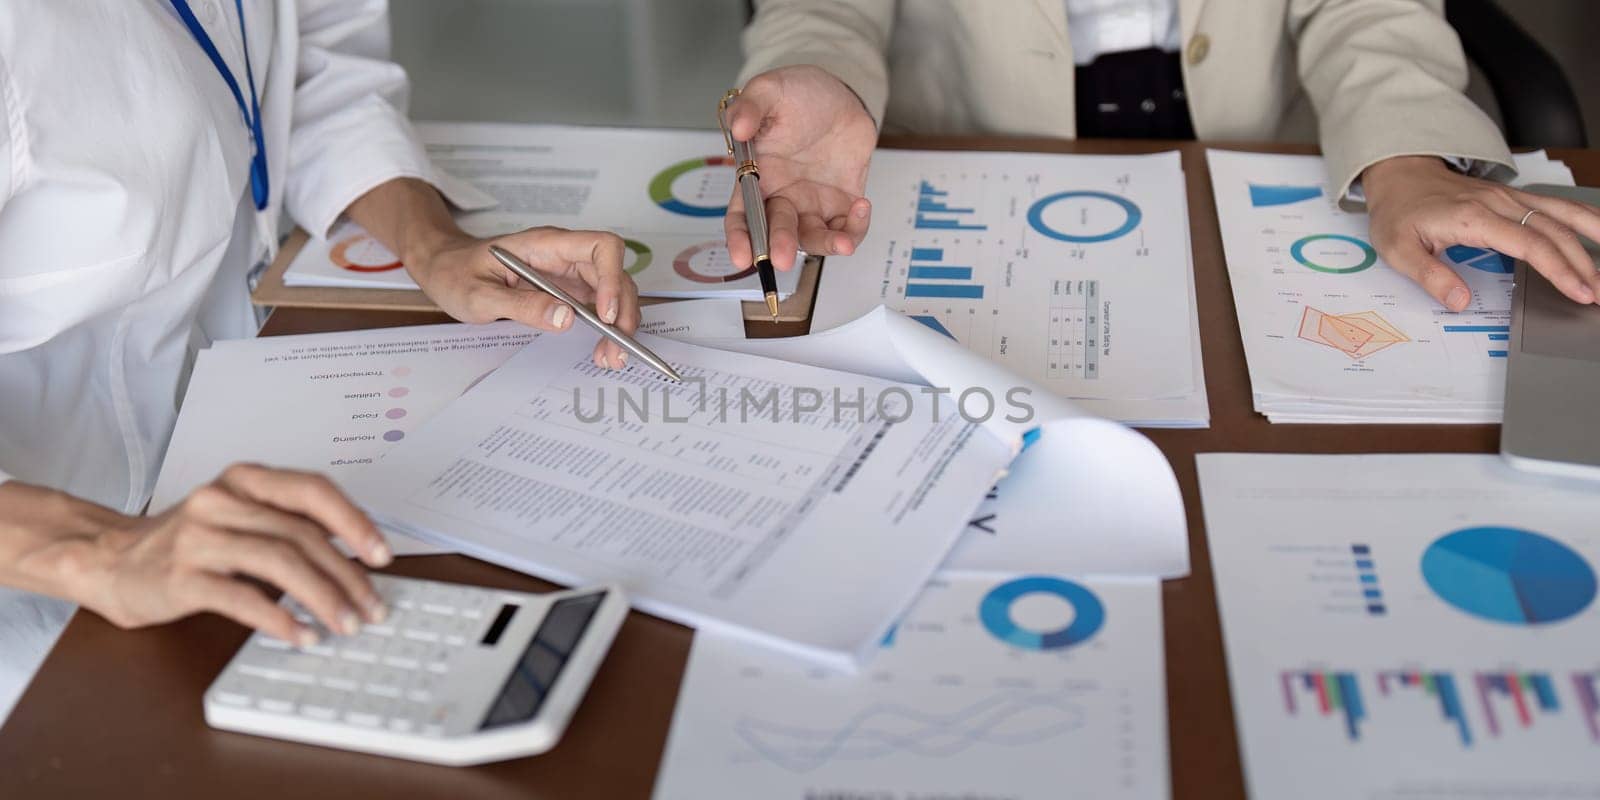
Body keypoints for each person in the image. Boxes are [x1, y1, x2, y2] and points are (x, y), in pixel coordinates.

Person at [0, 0, 641, 718]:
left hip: (240, 468)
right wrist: (98, 547)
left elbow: (314, 79)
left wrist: (433, 246)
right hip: (41, 597)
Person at [721, 0, 1600, 311]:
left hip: (1251, 146)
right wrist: (814, 71)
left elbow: (1364, 6)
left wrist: (1403, 154)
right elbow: (823, 7)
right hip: (968, 151)